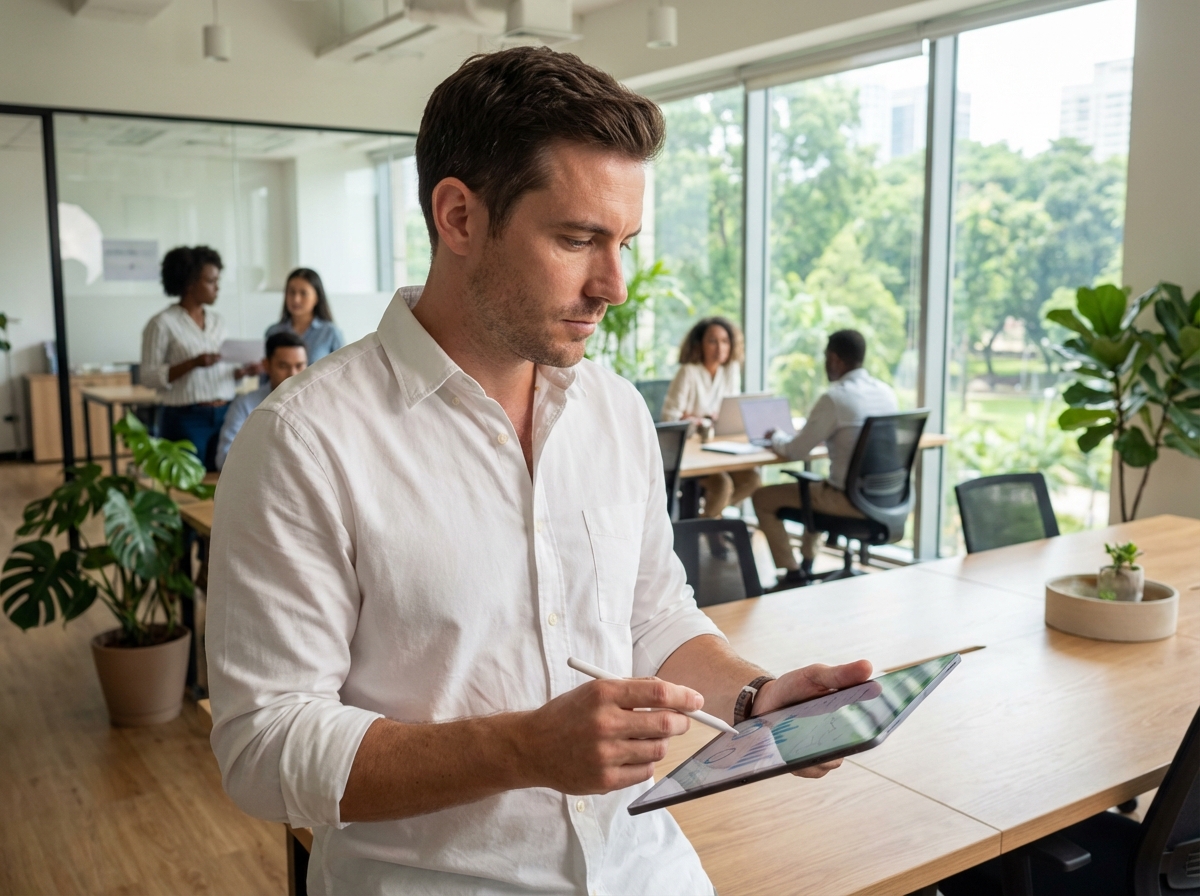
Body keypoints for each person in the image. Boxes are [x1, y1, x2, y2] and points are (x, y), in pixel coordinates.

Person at [207, 47, 871, 896]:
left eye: (625, 242)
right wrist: (522, 748)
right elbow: (263, 747)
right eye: (577, 239)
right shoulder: (304, 440)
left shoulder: (614, 410)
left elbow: (650, 615)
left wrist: (758, 701)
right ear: (458, 217)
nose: (616, 286)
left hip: (646, 871)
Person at [752, 330, 898, 591]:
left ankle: (793, 572)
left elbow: (795, 451)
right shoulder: (886, 393)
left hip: (848, 500)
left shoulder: (835, 397)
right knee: (815, 488)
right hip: (885, 498)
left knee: (762, 497)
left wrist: (776, 437)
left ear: (833, 359)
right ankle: (807, 563)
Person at [141, 246, 262, 471]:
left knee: (225, 482)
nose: (217, 287)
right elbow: (148, 376)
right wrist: (192, 363)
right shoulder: (162, 323)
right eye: (211, 281)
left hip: (225, 413)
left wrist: (242, 373)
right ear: (190, 283)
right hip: (185, 418)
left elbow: (221, 372)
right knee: (186, 486)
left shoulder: (218, 321)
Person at [662, 317, 760, 521]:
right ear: (700, 344)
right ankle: (711, 530)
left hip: (720, 449)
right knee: (722, 486)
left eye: (725, 341)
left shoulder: (730, 370)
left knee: (752, 479)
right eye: (712, 341)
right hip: (692, 454)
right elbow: (669, 418)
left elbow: (729, 410)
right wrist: (698, 420)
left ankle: (705, 521)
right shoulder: (688, 372)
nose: (720, 347)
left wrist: (710, 417)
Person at [214, 332, 308, 471]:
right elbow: (224, 458)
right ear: (266, 365)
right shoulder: (245, 404)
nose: (293, 374)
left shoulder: (319, 404)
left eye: (299, 366)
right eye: (283, 366)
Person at [265, 267, 344, 364]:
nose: (296, 299)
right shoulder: (274, 331)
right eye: (291, 292)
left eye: (304, 293)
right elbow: (267, 374)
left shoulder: (330, 333)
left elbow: (342, 371)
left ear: (316, 297)